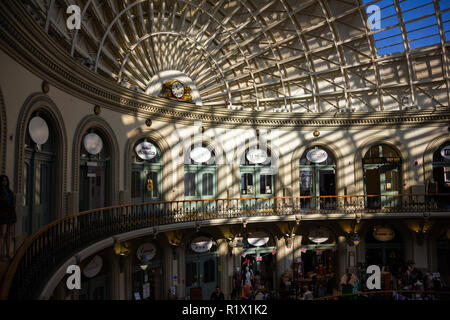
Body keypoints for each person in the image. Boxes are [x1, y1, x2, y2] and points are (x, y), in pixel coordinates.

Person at [0, 175, 17, 260]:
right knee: (2, 234)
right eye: (3, 180)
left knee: (9, 234)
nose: (4, 182)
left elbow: (13, 204)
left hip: (10, 214)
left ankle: (8, 253)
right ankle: (1, 254)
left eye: (6, 181)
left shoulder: (9, 191)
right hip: (2, 215)